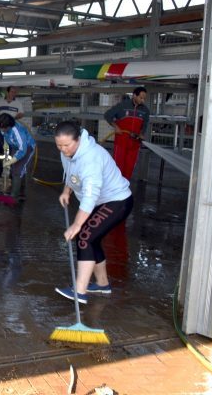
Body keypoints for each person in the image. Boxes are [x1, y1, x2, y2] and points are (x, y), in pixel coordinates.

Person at [53, 121, 133, 304]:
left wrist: (77, 224)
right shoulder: (68, 153)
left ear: (78, 140)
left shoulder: (91, 158)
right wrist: (66, 191)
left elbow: (90, 196)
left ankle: (79, 291)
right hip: (100, 202)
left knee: (85, 236)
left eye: (67, 145)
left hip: (117, 201)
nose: (63, 150)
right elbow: (72, 173)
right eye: (59, 145)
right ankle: (102, 284)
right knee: (91, 238)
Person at [103, 87, 150, 179]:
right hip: (121, 141)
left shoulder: (145, 111)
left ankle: (125, 185)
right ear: (134, 95)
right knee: (118, 166)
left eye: (144, 98)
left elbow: (145, 124)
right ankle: (115, 185)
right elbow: (107, 115)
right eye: (141, 98)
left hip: (134, 144)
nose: (143, 100)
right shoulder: (122, 106)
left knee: (129, 167)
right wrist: (116, 127)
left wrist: (141, 134)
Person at [0, 86, 24, 177]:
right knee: (0, 147)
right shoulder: (0, 102)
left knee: (13, 148)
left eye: (15, 92)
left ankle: (12, 169)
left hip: (12, 129)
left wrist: (12, 118)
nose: (14, 93)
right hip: (1, 128)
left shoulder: (18, 103)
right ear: (7, 92)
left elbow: (21, 114)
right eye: (12, 91)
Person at [0, 113, 35, 201]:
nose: (2, 130)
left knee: (18, 170)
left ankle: (14, 196)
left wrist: (10, 161)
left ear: (9, 126)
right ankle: (21, 192)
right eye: (1, 127)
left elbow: (22, 150)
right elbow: (5, 136)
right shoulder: (3, 127)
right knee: (15, 169)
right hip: (15, 146)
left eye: (4, 128)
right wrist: (6, 147)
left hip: (27, 147)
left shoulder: (18, 131)